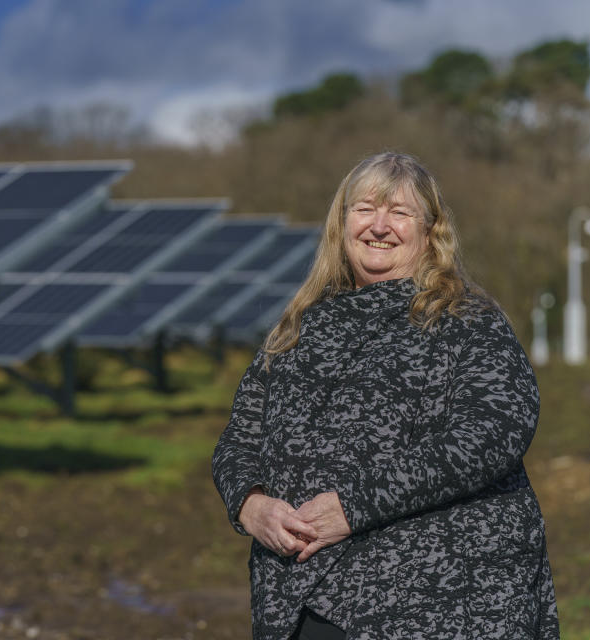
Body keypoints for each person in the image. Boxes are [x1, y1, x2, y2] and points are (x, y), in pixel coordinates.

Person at [212, 151, 558, 639]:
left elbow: (492, 433)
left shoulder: (466, 322)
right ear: (342, 223)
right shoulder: (296, 328)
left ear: (429, 231)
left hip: (438, 600)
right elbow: (237, 441)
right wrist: (250, 505)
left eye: (399, 212)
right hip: (300, 596)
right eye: (365, 209)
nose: (380, 225)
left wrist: (354, 506)